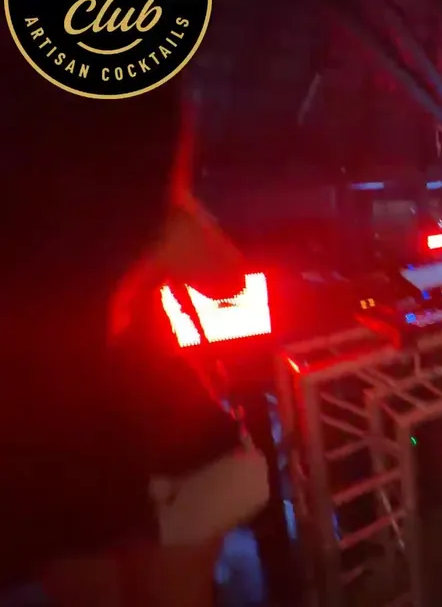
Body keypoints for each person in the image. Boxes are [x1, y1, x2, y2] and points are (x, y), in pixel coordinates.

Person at [3, 34, 259, 605]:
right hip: (157, 450)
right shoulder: (149, 220)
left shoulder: (26, 230)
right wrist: (171, 194)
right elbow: (227, 280)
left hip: (42, 457)